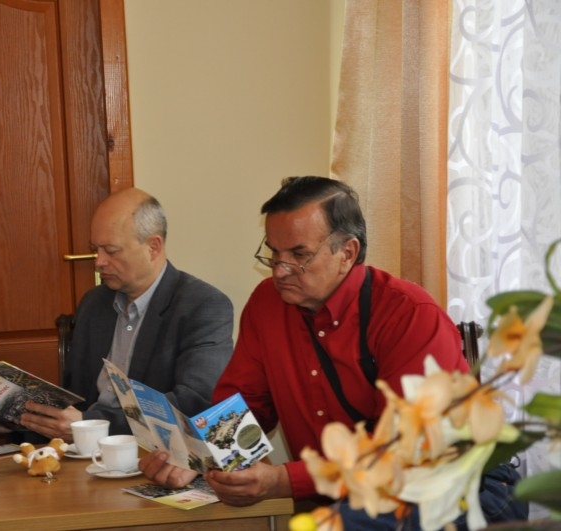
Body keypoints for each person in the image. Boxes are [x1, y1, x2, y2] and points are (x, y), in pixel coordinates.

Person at [140, 176, 496, 526]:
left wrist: (283, 480)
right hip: (337, 499)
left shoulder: (409, 315)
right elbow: (242, 407)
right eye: (274, 253)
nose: (280, 271)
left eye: (299, 255)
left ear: (347, 253)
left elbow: (409, 451)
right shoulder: (267, 304)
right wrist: (198, 457)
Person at [13, 188, 234, 442]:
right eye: (95, 249)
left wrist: (91, 425)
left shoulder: (203, 306)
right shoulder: (94, 303)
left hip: (152, 452)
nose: (99, 261)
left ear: (153, 247)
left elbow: (194, 402)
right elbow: (76, 397)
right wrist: (24, 418)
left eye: (111, 251)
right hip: (86, 451)